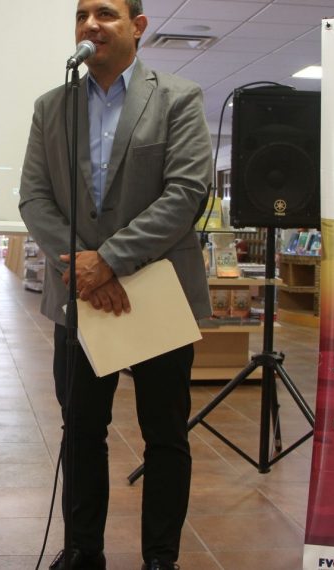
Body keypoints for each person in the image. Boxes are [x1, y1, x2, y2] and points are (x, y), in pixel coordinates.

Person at [18, 0, 212, 568]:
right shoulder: (52, 106)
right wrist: (83, 268)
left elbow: (185, 193)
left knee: (165, 435)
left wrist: (107, 261)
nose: (90, 25)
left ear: (138, 27)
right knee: (81, 430)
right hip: (79, 298)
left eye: (105, 13)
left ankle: (160, 558)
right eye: (81, 15)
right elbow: (34, 198)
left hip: (156, 291)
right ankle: (83, 552)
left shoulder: (177, 97)